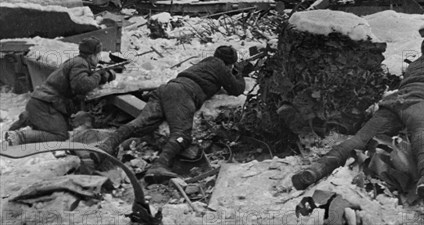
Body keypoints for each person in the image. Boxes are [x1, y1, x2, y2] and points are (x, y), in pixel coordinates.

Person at [291, 36, 424, 217]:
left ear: (423, 51)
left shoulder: (414, 64)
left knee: (360, 139)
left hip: (396, 100)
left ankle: (317, 169)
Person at [95, 45, 247, 181]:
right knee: (182, 134)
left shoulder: (205, 63)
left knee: (140, 124)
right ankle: (160, 165)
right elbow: (236, 89)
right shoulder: (219, 65)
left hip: (166, 88)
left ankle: (106, 146)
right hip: (182, 93)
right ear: (229, 63)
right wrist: (238, 72)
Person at [4, 37, 115, 145]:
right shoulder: (80, 63)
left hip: (43, 102)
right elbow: (81, 85)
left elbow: (80, 80)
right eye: (98, 54)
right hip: (46, 104)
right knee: (60, 135)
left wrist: (103, 76)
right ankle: (20, 136)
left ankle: (30, 118)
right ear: (91, 56)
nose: (99, 58)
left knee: (66, 126)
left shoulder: (76, 61)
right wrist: (98, 75)